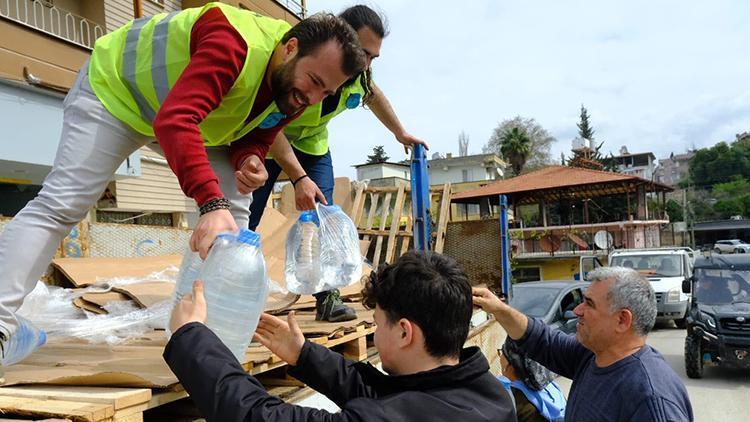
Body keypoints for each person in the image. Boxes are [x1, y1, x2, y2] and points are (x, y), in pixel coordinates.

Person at [0, 3, 366, 374]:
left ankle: (208, 344)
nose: (315, 98)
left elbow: (257, 133)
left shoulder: (297, 89)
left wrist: (248, 159)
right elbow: (176, 120)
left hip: (192, 118)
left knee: (235, 226)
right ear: (289, 48)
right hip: (118, 91)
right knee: (62, 204)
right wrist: (210, 202)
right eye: (315, 82)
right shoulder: (233, 43)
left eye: (327, 92)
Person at [165, 251, 517, 421]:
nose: (374, 333)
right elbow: (384, 394)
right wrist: (305, 356)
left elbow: (261, 418)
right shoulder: (486, 395)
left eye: (378, 324)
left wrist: (192, 336)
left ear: (405, 332)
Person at [248, 5, 428, 323]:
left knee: (322, 214)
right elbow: (267, 120)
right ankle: (232, 294)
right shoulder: (308, 63)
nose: (366, 63)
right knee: (247, 214)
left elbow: (373, 95)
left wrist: (400, 132)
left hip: (312, 147)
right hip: (269, 137)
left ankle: (327, 298)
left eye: (373, 57)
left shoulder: (358, 77)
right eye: (363, 52)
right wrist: (298, 176)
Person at [473, 267, 693, 421]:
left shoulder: (650, 398)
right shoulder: (592, 356)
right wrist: (498, 309)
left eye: (589, 304)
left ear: (622, 320)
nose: (577, 311)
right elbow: (542, 340)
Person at [499, 337, 566, 422]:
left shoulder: (516, 401)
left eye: (501, 352)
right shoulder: (548, 386)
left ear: (511, 365)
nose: (500, 357)